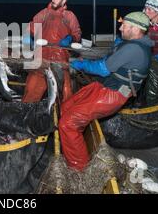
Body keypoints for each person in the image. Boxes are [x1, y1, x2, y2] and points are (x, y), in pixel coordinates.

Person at [59, 12, 153, 171]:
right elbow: (109, 60)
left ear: (135, 28)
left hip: (112, 95)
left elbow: (103, 69)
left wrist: (81, 65)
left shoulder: (134, 48)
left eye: (125, 25)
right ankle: (72, 144)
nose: (120, 27)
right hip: (105, 87)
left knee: (67, 124)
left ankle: (79, 169)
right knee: (67, 106)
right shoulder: (131, 43)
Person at [22, 0, 81, 103]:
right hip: (42, 57)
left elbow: (77, 33)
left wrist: (71, 38)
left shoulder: (69, 16)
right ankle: (27, 110)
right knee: (32, 89)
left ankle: (64, 115)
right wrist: (28, 37)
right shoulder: (44, 13)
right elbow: (31, 27)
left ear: (64, 1)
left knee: (65, 93)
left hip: (61, 58)